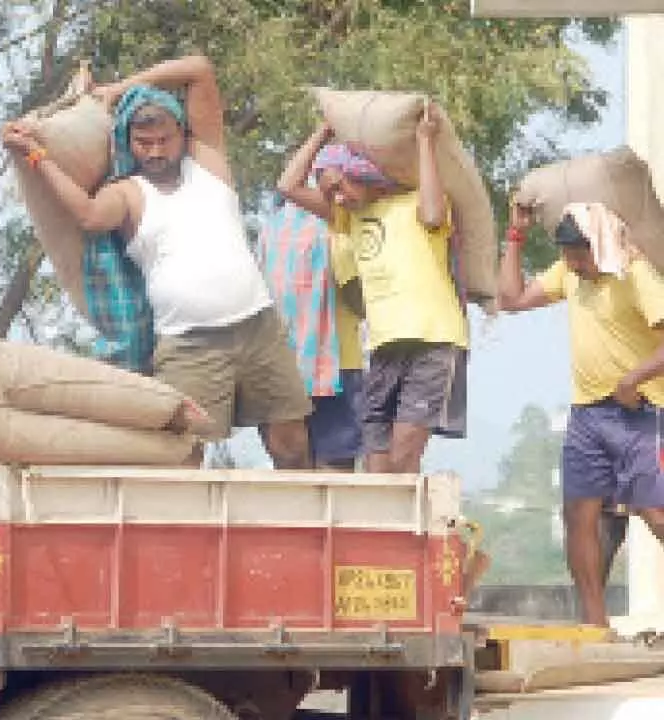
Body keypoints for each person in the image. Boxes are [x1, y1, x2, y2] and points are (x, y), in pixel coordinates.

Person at [0, 55, 312, 468]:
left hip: (258, 327)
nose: (156, 151)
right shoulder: (128, 192)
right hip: (188, 344)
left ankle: (296, 529)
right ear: (128, 143)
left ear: (182, 134)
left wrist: (118, 88)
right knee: (184, 452)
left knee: (290, 440)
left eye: (165, 140)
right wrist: (38, 157)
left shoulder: (208, 161)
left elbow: (199, 68)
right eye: (144, 143)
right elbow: (88, 216)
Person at [498, 200, 664, 627]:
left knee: (653, 508)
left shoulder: (635, 274)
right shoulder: (569, 275)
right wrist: (515, 236)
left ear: (601, 245)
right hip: (588, 415)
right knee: (579, 514)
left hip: (640, 413)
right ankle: (594, 625)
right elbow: (511, 298)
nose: (573, 261)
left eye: (580, 252)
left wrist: (632, 380)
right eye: (567, 253)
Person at [276, 112, 468, 474]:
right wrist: (323, 132)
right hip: (383, 349)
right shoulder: (348, 219)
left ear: (361, 175)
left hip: (434, 342)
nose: (337, 197)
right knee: (376, 464)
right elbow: (287, 186)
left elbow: (431, 214)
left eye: (339, 185)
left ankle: (405, 530)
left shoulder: (414, 203)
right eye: (329, 192)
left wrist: (425, 141)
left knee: (403, 457)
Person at [258, 197, 366, 470]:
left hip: (279, 369)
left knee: (290, 472)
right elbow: (358, 299)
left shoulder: (268, 230)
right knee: (335, 473)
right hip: (338, 365)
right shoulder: (334, 228)